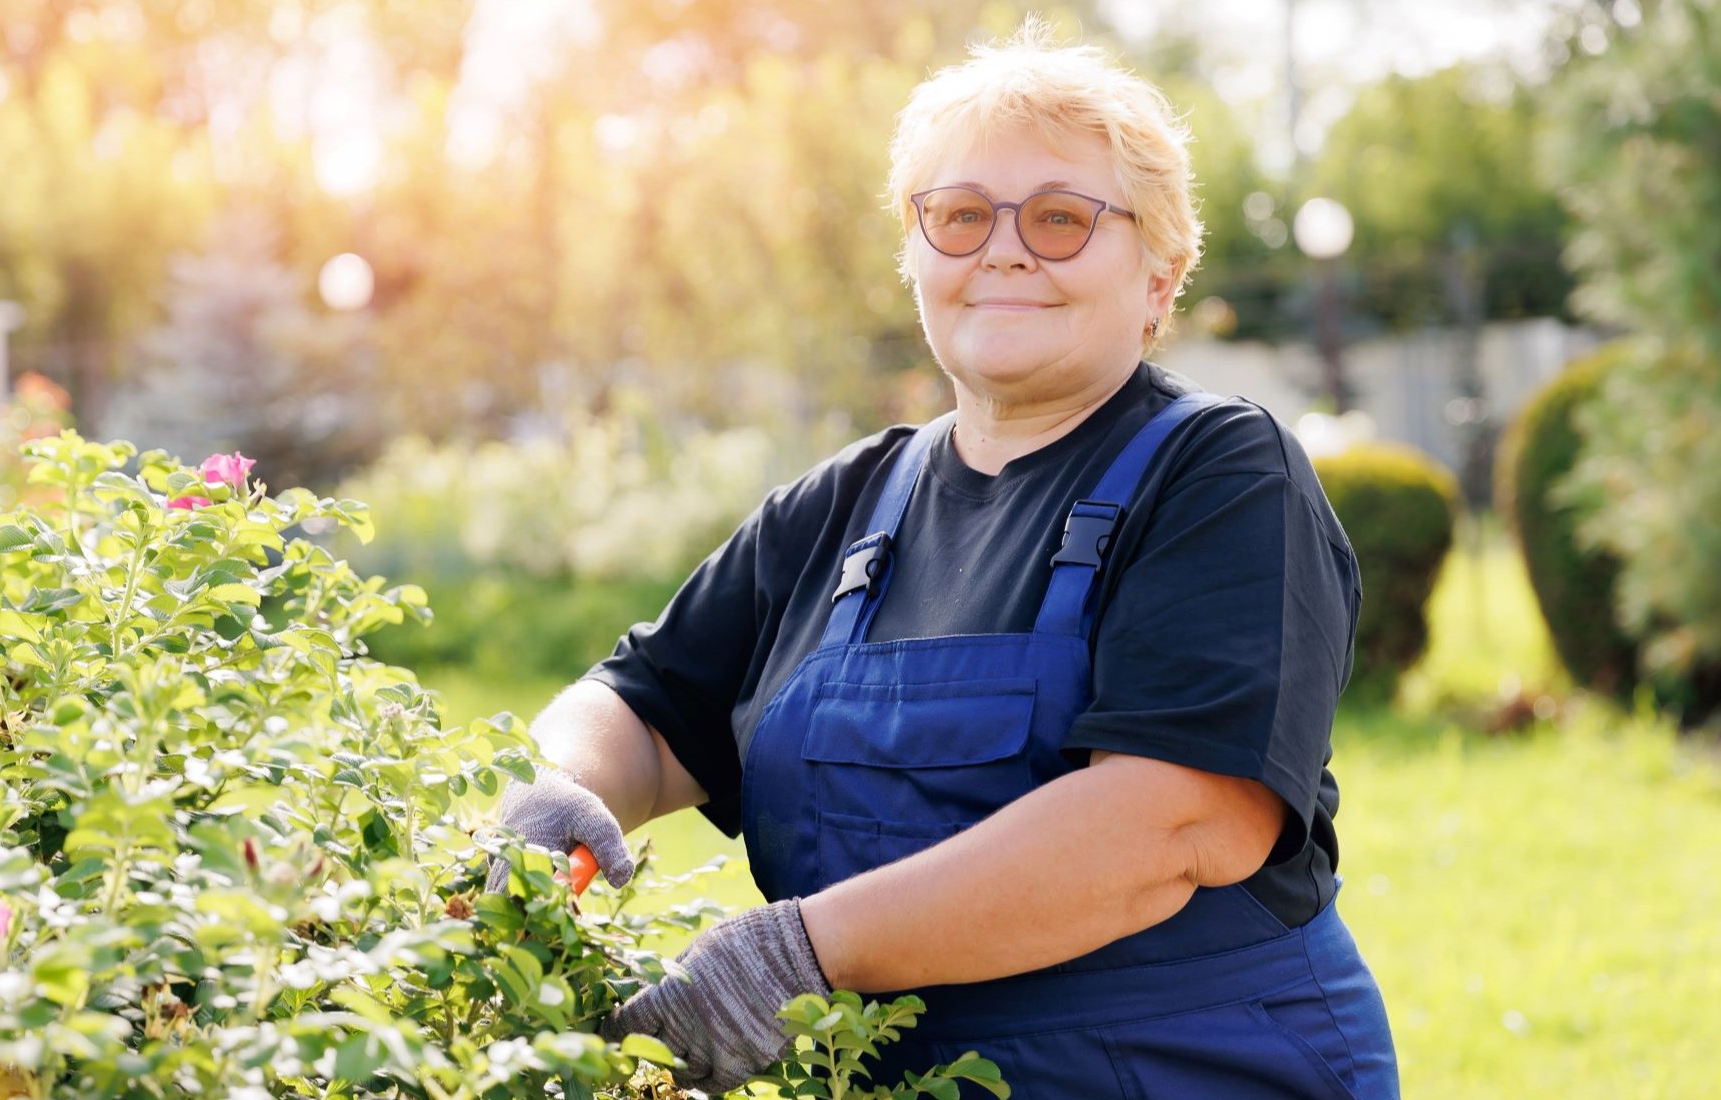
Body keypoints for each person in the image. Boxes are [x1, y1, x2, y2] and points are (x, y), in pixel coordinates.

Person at [489, 20, 1399, 1098]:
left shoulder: (1218, 473)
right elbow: (641, 704)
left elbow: (1169, 822)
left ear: (1158, 278)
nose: (1003, 249)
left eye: (1061, 218)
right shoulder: (843, 507)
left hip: (1186, 1068)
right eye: (960, 216)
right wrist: (551, 792)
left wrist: (794, 954)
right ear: (915, 258)